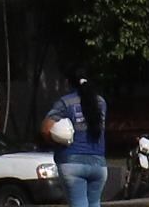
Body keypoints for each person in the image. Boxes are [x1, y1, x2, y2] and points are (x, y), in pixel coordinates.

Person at [43, 76, 108, 207]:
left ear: (68, 83)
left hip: (71, 162)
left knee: (79, 203)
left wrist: (53, 142)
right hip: (99, 163)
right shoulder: (101, 102)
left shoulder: (65, 102)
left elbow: (46, 129)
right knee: (95, 203)